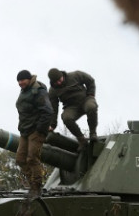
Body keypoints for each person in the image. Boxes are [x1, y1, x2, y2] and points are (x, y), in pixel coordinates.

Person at [14, 69, 53, 199]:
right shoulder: (25, 90)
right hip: (25, 130)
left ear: (29, 79)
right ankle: (32, 185)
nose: (20, 83)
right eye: (18, 81)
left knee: (32, 158)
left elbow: (47, 111)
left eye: (22, 80)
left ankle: (37, 187)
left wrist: (40, 129)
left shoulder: (38, 90)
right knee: (20, 159)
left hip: (35, 130)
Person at [47, 68, 99, 147]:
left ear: (62, 75)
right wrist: (52, 125)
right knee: (66, 117)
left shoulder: (75, 75)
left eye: (59, 79)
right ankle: (81, 139)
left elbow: (90, 80)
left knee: (91, 107)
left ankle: (93, 133)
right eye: (56, 82)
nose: (59, 82)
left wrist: (91, 94)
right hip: (71, 107)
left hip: (85, 99)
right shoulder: (52, 91)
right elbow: (54, 108)